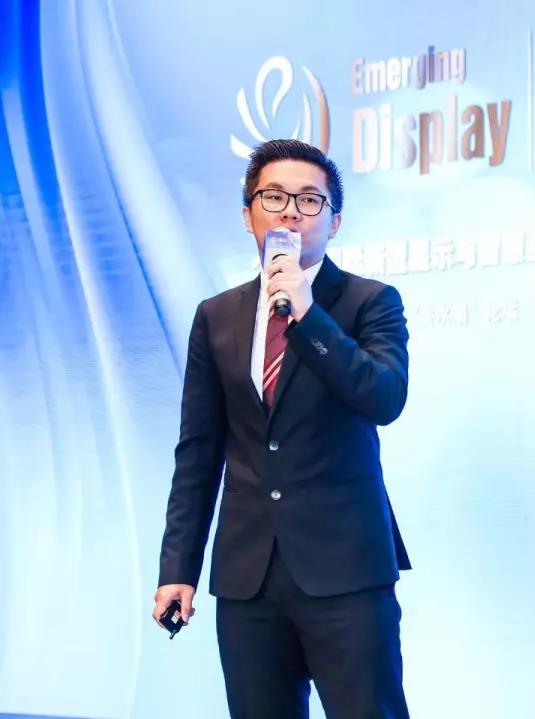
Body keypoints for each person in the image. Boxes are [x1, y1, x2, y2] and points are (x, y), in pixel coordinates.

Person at [152, 138, 410, 718]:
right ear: (248, 215)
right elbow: (198, 451)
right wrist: (178, 569)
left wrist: (307, 313)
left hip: (346, 570)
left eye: (310, 200)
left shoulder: (370, 302)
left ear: (334, 221)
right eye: (274, 197)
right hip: (248, 576)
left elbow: (384, 397)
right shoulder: (217, 315)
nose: (291, 211)